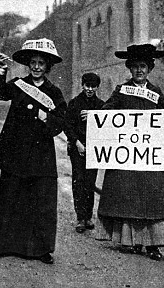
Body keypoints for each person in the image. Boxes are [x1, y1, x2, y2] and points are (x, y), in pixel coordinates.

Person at [95, 43, 164, 261]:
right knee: (128, 198)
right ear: (130, 69)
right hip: (128, 156)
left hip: (149, 158)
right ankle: (132, 240)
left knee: (151, 199)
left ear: (149, 69)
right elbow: (107, 112)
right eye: (135, 67)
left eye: (143, 66)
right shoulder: (121, 90)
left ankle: (153, 244)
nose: (139, 71)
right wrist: (96, 116)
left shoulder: (156, 92)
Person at [0, 38, 67, 265]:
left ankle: (42, 249)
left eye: (41, 63)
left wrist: (46, 118)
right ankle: (6, 245)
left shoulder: (54, 92)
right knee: (12, 197)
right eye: (33, 62)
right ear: (28, 64)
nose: (37, 67)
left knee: (41, 203)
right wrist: (2, 68)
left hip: (41, 156)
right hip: (15, 152)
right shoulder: (18, 84)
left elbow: (61, 122)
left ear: (48, 66)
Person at [64, 72, 104, 233]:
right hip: (77, 148)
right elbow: (67, 125)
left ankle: (88, 217)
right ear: (82, 85)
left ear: (97, 87)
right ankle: (80, 217)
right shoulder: (74, 104)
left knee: (90, 182)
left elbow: (106, 122)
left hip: (93, 149)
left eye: (93, 86)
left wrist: (94, 116)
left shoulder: (101, 105)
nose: (90, 89)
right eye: (87, 86)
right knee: (78, 182)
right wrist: (76, 143)